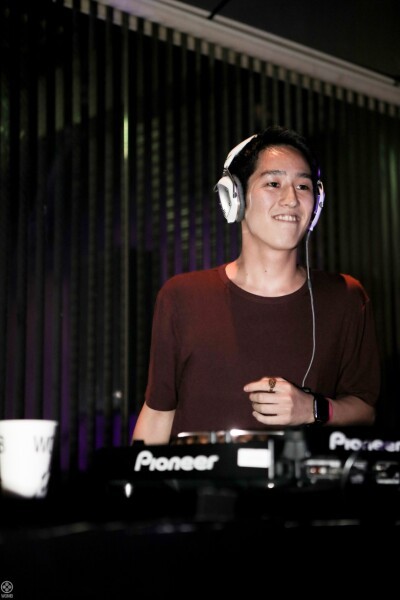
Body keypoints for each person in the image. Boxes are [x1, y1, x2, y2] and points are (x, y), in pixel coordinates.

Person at [132, 126, 380, 445]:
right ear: (234, 197)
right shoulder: (182, 296)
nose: (291, 199)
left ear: (317, 204)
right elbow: (158, 413)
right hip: (202, 479)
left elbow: (364, 409)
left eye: (303, 186)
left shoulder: (346, 297)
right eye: (273, 183)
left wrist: (312, 409)